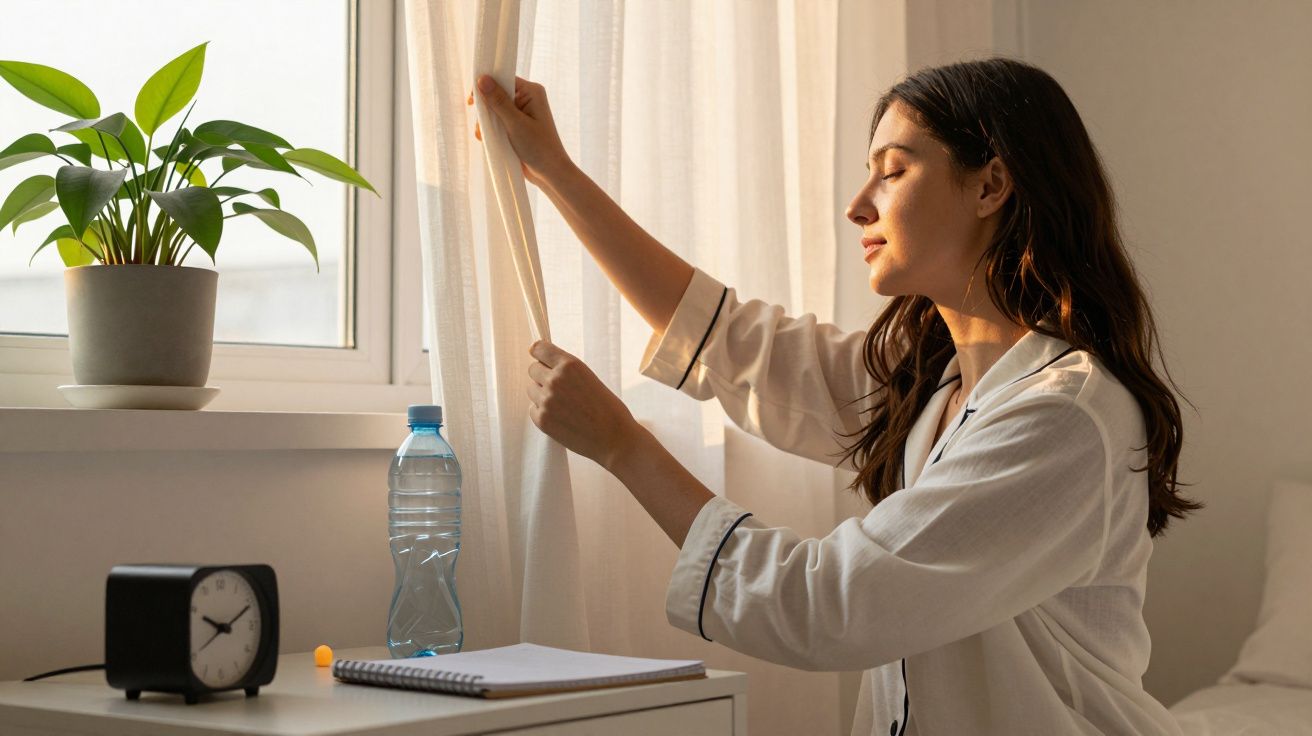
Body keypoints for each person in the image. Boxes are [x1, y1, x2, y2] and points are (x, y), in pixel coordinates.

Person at [470, 57, 1200, 735]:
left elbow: (828, 607)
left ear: (990, 186)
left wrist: (623, 446)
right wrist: (555, 173)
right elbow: (731, 342)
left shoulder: (1063, 417)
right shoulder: (935, 386)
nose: (858, 206)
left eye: (894, 171)